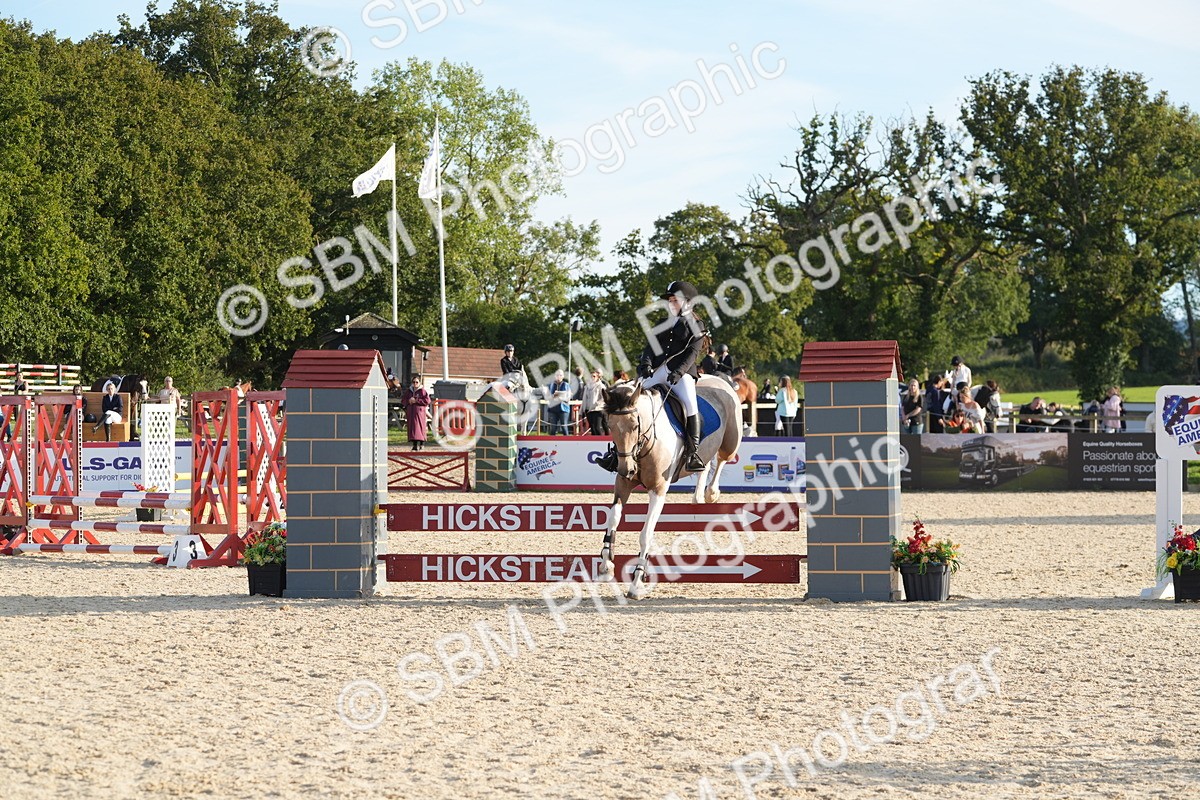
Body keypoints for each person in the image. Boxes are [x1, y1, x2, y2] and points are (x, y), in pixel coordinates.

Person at [637, 280, 710, 471]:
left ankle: (693, 454)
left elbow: (692, 354)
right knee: (633, 397)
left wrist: (678, 372)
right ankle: (616, 453)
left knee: (689, 403)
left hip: (681, 373)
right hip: (659, 370)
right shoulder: (663, 322)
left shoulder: (697, 324)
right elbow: (649, 347)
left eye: (675, 300)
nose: (671, 304)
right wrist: (645, 363)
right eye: (670, 300)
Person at [402, 375, 431, 450]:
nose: (415, 384)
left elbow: (427, 401)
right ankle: (414, 445)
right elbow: (403, 400)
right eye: (413, 382)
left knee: (420, 428)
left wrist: (417, 401)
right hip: (411, 412)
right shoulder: (409, 391)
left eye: (416, 382)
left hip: (420, 413)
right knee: (413, 429)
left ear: (419, 383)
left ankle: (421, 443)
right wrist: (409, 401)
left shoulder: (422, 391)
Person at [581, 369, 609, 436]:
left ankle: (601, 442)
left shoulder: (601, 386)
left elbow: (603, 398)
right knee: (592, 428)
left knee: (597, 427)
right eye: (591, 376)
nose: (592, 378)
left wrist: (596, 404)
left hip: (597, 409)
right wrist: (582, 410)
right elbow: (584, 399)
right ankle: (594, 443)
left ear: (598, 377)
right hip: (588, 410)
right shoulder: (587, 386)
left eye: (594, 376)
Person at [545, 369, 572, 436]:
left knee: (564, 427)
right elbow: (547, 397)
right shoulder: (550, 385)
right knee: (553, 428)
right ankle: (551, 444)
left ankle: (567, 443)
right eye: (557, 375)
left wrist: (561, 398)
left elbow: (569, 398)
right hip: (553, 409)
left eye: (560, 375)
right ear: (555, 376)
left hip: (563, 409)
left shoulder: (566, 385)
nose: (558, 376)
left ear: (563, 376)